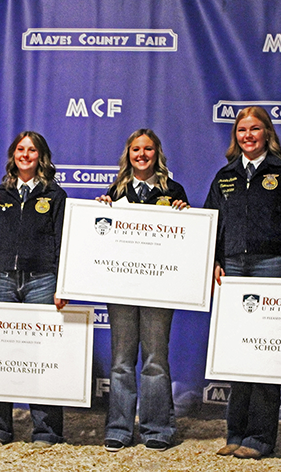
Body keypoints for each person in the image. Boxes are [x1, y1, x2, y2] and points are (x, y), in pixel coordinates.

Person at [204, 107, 281, 459]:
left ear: (267, 133)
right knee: (237, 352)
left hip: (271, 265)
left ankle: (261, 437)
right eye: (241, 130)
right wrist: (214, 261)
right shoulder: (225, 176)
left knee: (264, 353)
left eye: (254, 129)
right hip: (233, 268)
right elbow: (211, 224)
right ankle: (235, 432)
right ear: (235, 136)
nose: (247, 135)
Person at [0, 131, 67, 449]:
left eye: (32, 150)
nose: (25, 154)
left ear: (42, 156)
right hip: (2, 280)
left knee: (42, 354)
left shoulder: (54, 195)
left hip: (42, 280)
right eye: (20, 149)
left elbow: (65, 242)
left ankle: (46, 430)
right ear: (13, 155)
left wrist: (63, 283)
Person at [98, 129, 189, 453]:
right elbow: (100, 235)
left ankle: (157, 428)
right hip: (121, 288)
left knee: (155, 360)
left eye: (148, 149)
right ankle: (120, 428)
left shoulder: (172, 190)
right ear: (129, 154)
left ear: (157, 153)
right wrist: (101, 212)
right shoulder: (116, 190)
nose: (142, 154)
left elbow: (186, 237)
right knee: (121, 361)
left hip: (158, 289)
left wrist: (184, 212)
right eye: (136, 149)